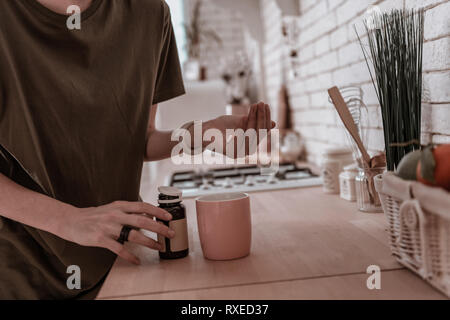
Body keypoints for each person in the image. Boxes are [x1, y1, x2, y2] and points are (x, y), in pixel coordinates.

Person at [0, 0, 275, 299]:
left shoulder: (151, 13)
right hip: (22, 275)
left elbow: (141, 139)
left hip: (122, 260)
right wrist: (69, 220)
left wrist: (204, 135)